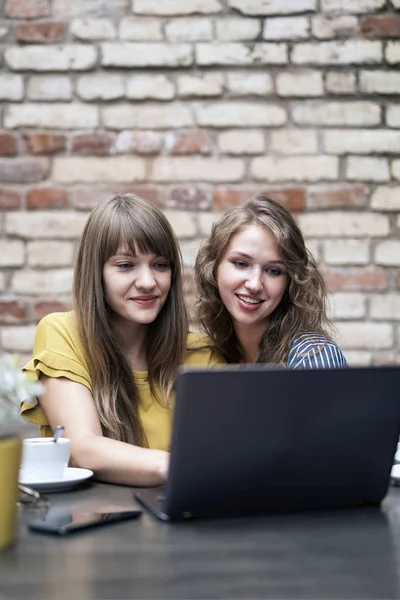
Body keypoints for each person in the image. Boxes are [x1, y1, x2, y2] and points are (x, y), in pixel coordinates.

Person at [22, 194, 222, 487]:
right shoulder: (62, 333)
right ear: (97, 274)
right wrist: (181, 465)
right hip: (92, 526)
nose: (147, 282)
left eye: (160, 265)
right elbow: (82, 448)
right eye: (126, 265)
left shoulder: (202, 355)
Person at [195, 194, 347, 369]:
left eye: (273, 271)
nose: (254, 284)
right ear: (213, 267)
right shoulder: (218, 354)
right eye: (241, 264)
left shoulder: (311, 356)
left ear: (291, 281)